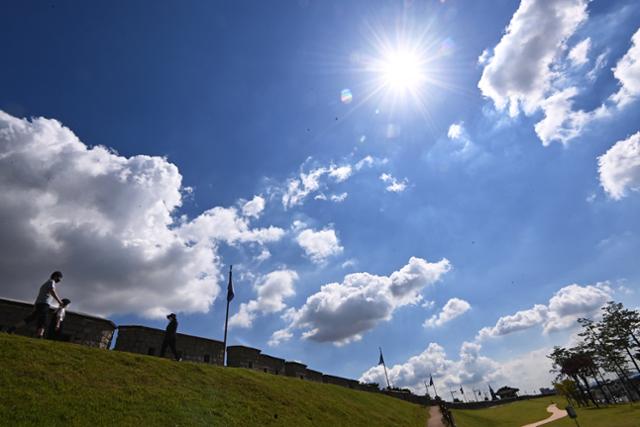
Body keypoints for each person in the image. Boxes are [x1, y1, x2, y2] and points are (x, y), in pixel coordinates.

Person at [8, 271, 65, 338]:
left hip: (40, 304)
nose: (60, 280)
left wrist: (35, 306)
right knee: (44, 320)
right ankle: (40, 335)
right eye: (60, 278)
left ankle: (13, 328)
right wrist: (59, 301)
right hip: (44, 304)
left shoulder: (45, 284)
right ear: (56, 276)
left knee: (31, 318)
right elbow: (52, 291)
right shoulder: (51, 282)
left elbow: (39, 296)